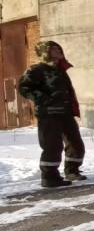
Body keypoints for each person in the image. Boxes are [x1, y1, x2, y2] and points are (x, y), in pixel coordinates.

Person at [18, 41, 87, 187]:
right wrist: (43, 99)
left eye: (58, 48)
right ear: (45, 52)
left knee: (76, 144)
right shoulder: (36, 69)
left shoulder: (59, 69)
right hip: (48, 114)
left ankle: (72, 171)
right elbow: (23, 87)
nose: (58, 51)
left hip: (66, 113)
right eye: (54, 49)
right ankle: (49, 177)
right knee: (52, 146)